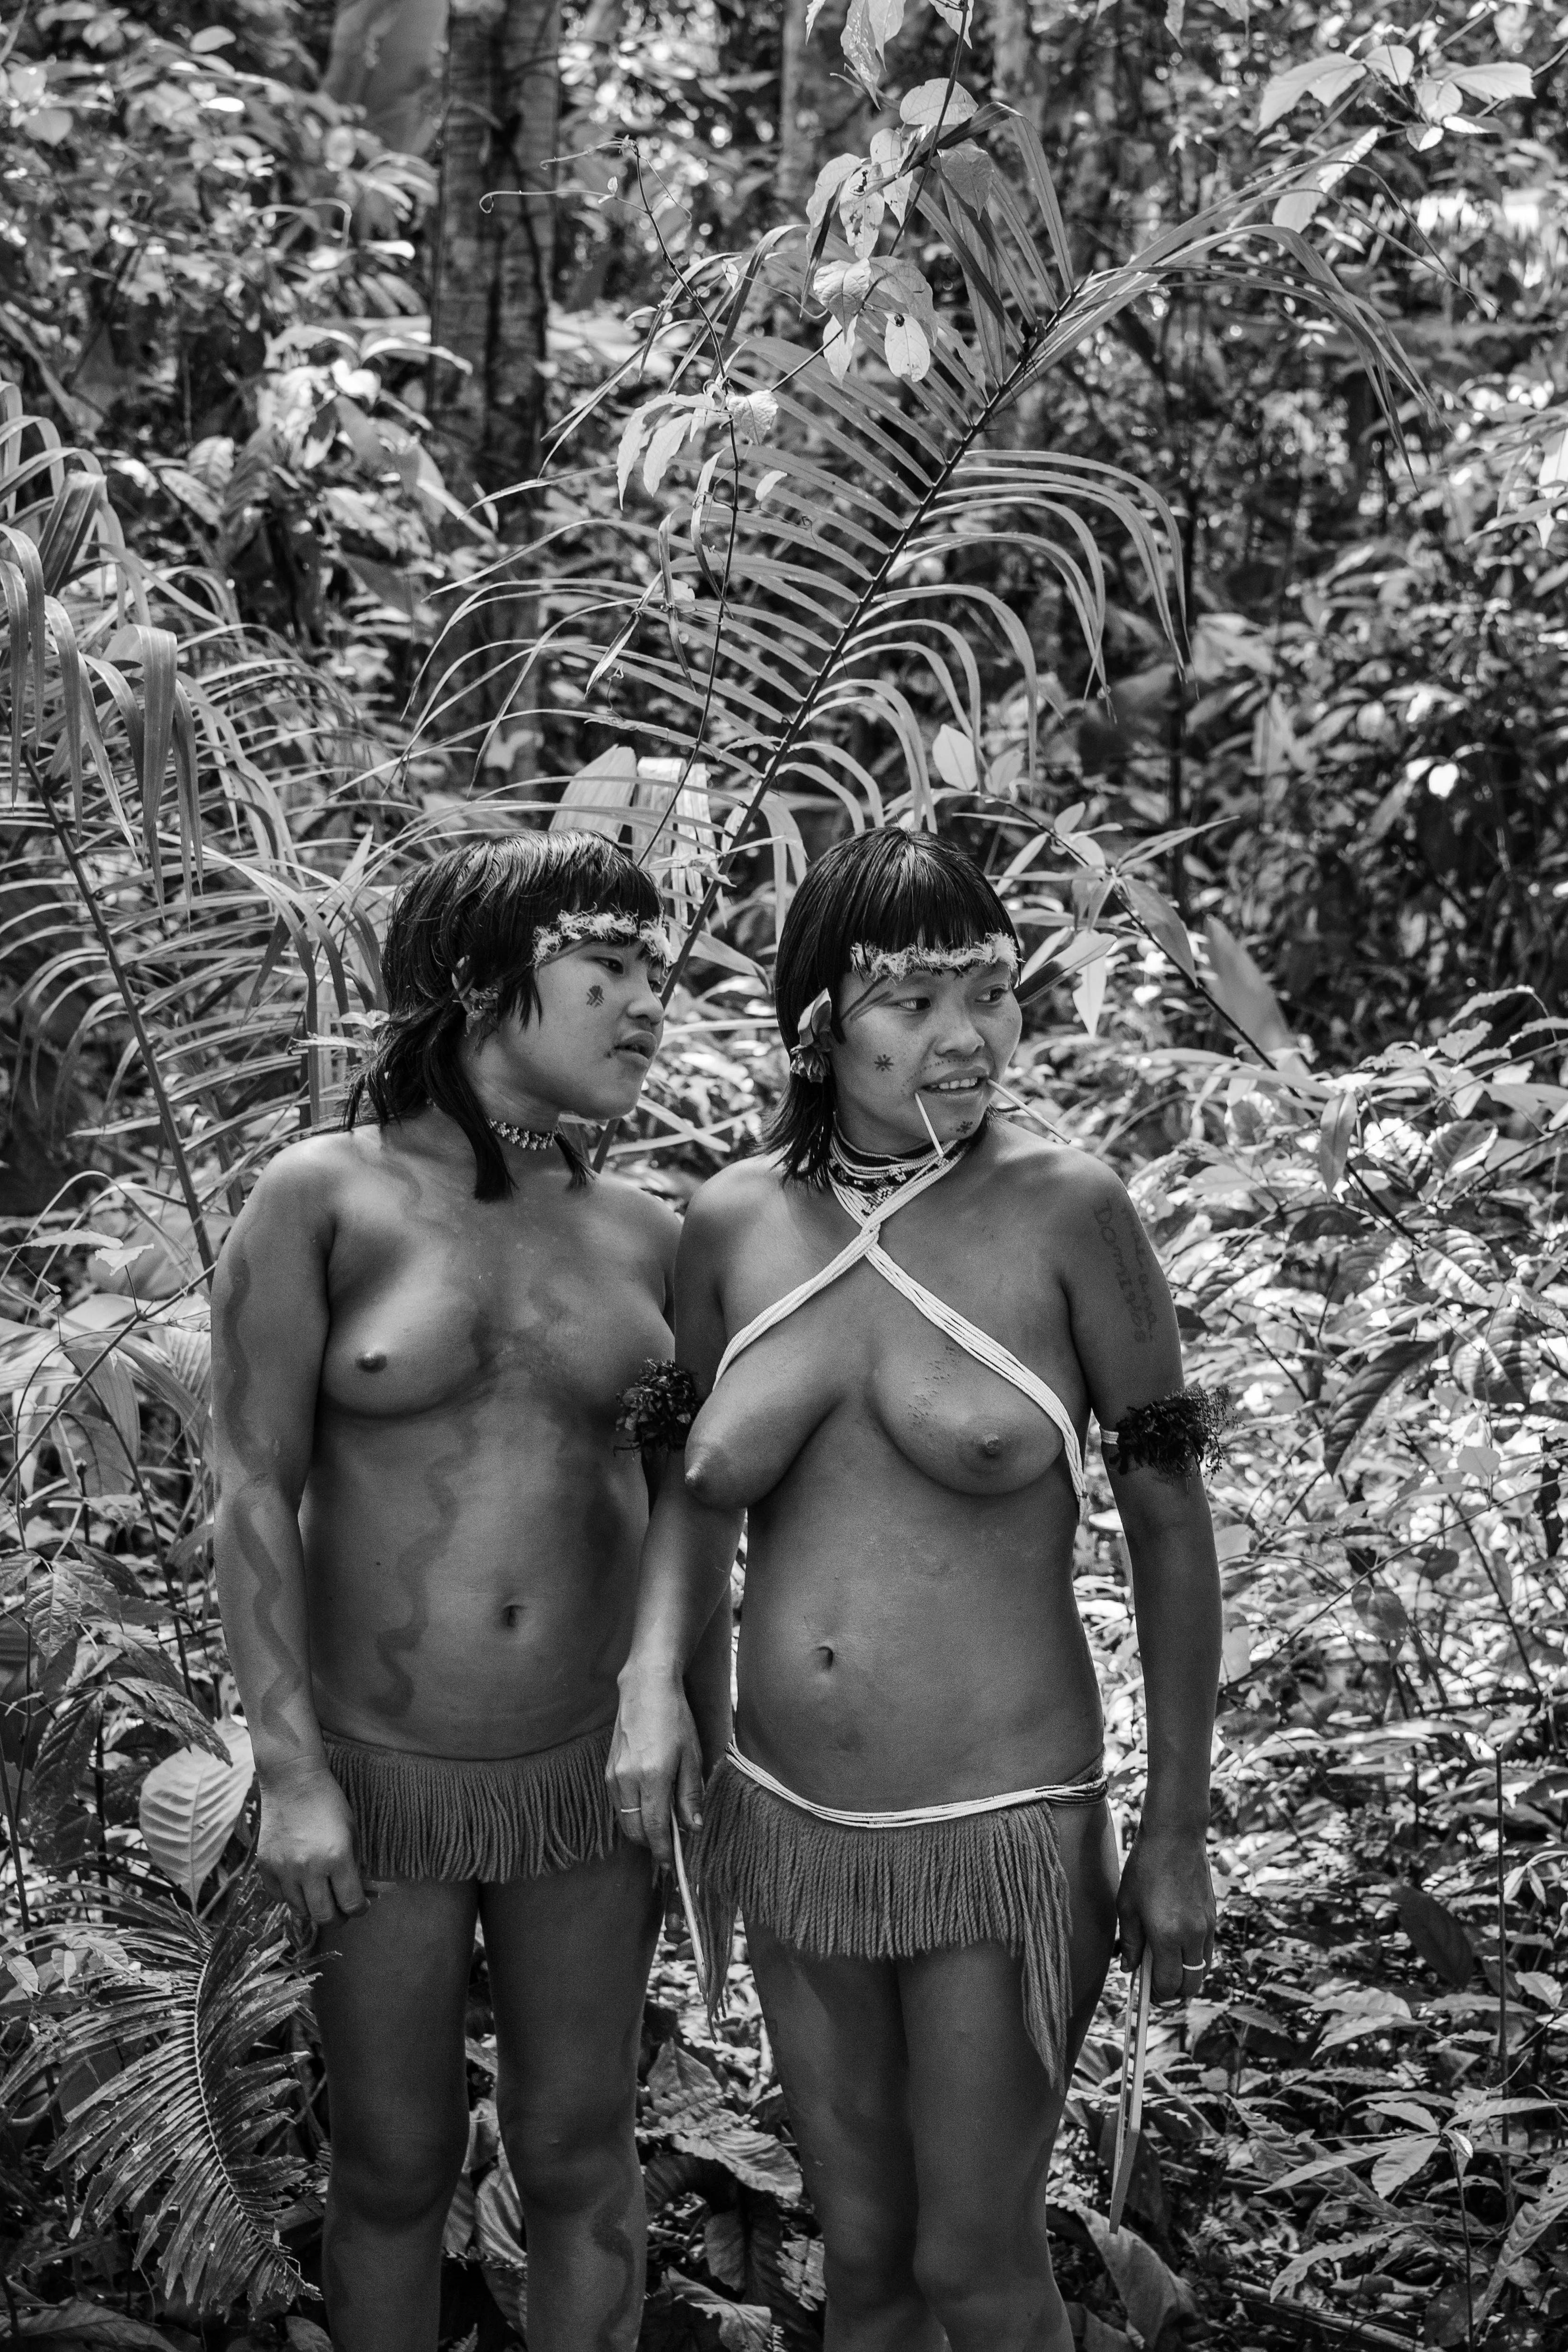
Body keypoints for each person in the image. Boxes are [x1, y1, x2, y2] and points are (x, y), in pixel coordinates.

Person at [610, 824, 1223, 2352]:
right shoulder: (732, 1225)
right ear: (819, 1025)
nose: (963, 1037)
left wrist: (1175, 1831)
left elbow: (1169, 1521)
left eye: (988, 993)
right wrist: (647, 1695)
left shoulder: (1067, 1211)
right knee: (867, 2258)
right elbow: (687, 1496)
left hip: (998, 1825)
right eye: (910, 1002)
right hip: (790, 1821)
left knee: (973, 2262)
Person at [212, 831, 727, 2352]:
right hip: (378, 1783)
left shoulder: (652, 1235)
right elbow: (250, 1489)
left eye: (658, 977)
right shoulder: (324, 1199)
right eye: (608, 971)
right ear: (474, 982)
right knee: (387, 2165)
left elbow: (692, 1504)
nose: (647, 1009)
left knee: (581, 2155)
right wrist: (293, 1772)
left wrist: (693, 1718)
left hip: (586, 1776)